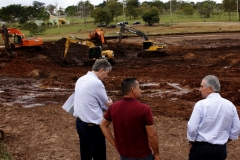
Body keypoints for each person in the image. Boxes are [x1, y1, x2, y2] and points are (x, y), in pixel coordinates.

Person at [100, 78, 160, 160]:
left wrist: (115, 144)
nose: (140, 90)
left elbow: (103, 125)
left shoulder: (114, 107)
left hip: (124, 155)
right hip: (142, 155)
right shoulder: (144, 109)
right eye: (139, 87)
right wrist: (157, 154)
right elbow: (152, 135)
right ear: (133, 89)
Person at [187, 75, 240, 160]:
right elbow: (236, 128)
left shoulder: (201, 105)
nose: (199, 89)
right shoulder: (230, 105)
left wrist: (191, 141)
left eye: (202, 86)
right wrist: (226, 140)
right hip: (220, 150)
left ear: (210, 89)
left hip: (201, 148)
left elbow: (192, 127)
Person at [73, 59, 113, 160]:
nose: (106, 76)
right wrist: (110, 103)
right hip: (92, 126)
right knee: (99, 156)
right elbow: (106, 106)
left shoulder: (81, 79)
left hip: (80, 122)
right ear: (101, 70)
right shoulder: (97, 83)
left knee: (85, 154)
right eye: (107, 73)